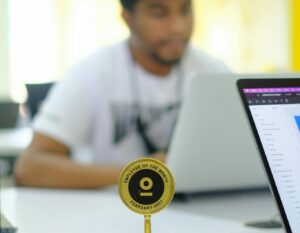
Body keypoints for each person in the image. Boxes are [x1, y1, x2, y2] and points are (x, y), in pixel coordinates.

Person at [15, 0, 229, 189]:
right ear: (128, 18)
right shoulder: (93, 72)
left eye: (185, 10)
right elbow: (30, 167)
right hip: (111, 213)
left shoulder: (215, 72)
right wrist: (143, 172)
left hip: (198, 211)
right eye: (159, 13)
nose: (178, 27)